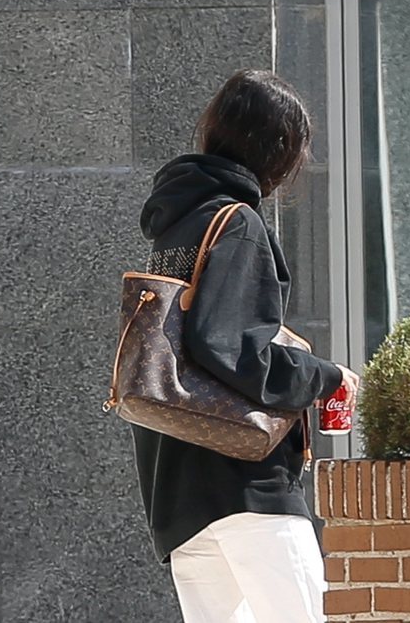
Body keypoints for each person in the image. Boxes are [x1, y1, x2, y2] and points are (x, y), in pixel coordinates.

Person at [133, 69, 359, 623]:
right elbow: (231, 346)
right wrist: (324, 376)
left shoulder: (177, 224)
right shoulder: (237, 222)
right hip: (245, 486)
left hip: (177, 495)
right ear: (280, 151)